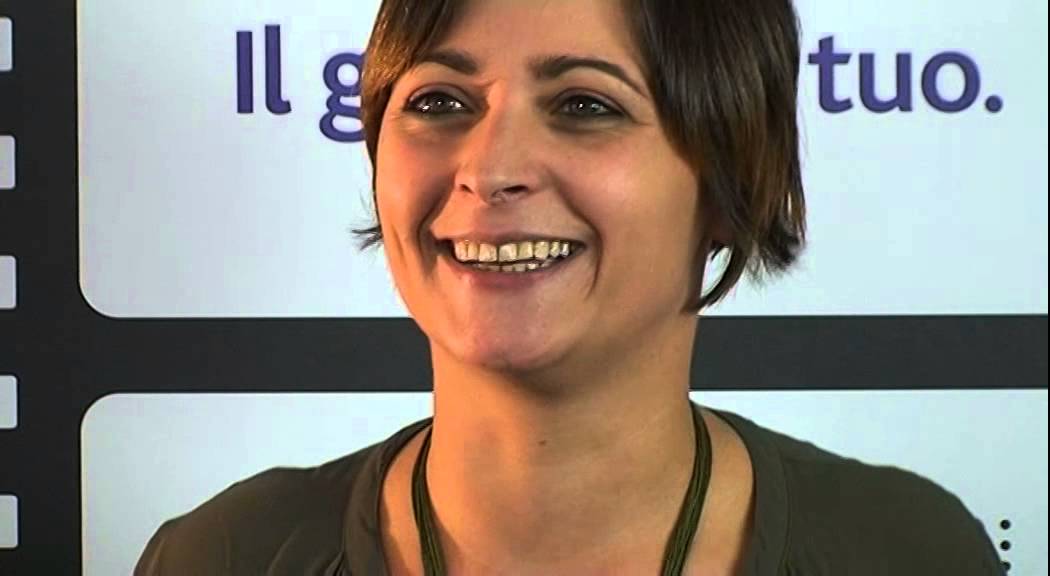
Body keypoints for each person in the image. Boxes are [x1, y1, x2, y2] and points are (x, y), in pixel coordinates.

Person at [136, 0, 1005, 574]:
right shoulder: (223, 557)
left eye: (585, 105)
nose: (490, 170)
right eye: (439, 102)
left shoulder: (908, 552)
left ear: (729, 181)